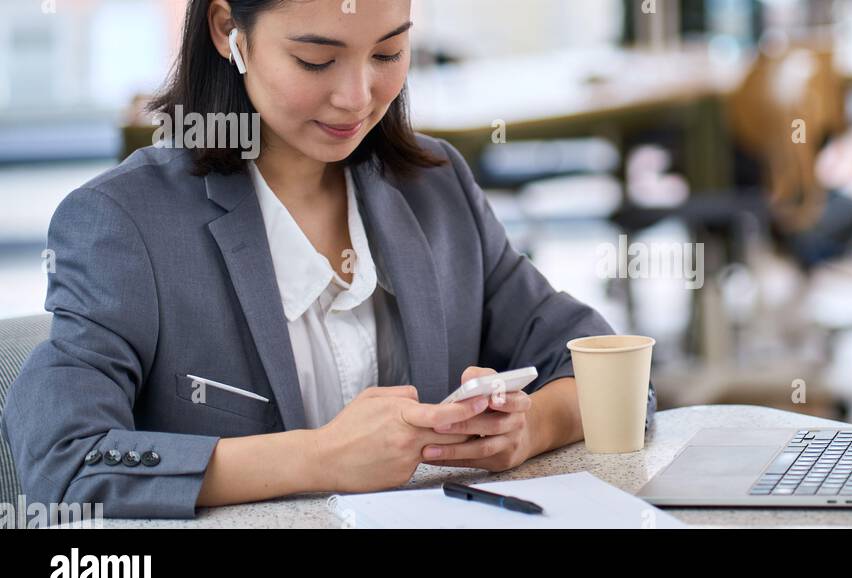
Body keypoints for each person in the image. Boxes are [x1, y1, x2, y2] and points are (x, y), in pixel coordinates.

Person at [0, 0, 651, 520]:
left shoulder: (435, 188)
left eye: (390, 52)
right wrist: (317, 458)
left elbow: (611, 368)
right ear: (231, 31)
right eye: (316, 58)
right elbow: (66, 467)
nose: (358, 96)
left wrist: (531, 425)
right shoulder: (124, 224)